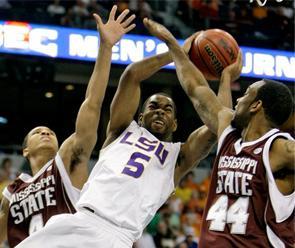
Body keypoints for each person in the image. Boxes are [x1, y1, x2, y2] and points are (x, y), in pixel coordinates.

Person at [15, 19, 241, 248]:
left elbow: (217, 128)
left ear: (175, 124)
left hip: (118, 237)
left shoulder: (178, 158)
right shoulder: (121, 130)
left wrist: (225, 79)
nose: (160, 111)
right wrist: (175, 53)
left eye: (167, 109)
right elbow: (132, 75)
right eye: (153, 107)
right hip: (81, 218)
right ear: (140, 118)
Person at [143, 18, 295, 247]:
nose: (239, 99)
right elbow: (197, 89)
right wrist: (172, 44)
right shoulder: (229, 135)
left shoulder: (281, 148)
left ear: (256, 106)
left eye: (246, 94)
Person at [0, 6, 136, 247]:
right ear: (25, 151)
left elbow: (92, 104)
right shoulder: (12, 192)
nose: (45, 132)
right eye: (37, 132)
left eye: (50, 131)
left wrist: (105, 49)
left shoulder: (67, 160)